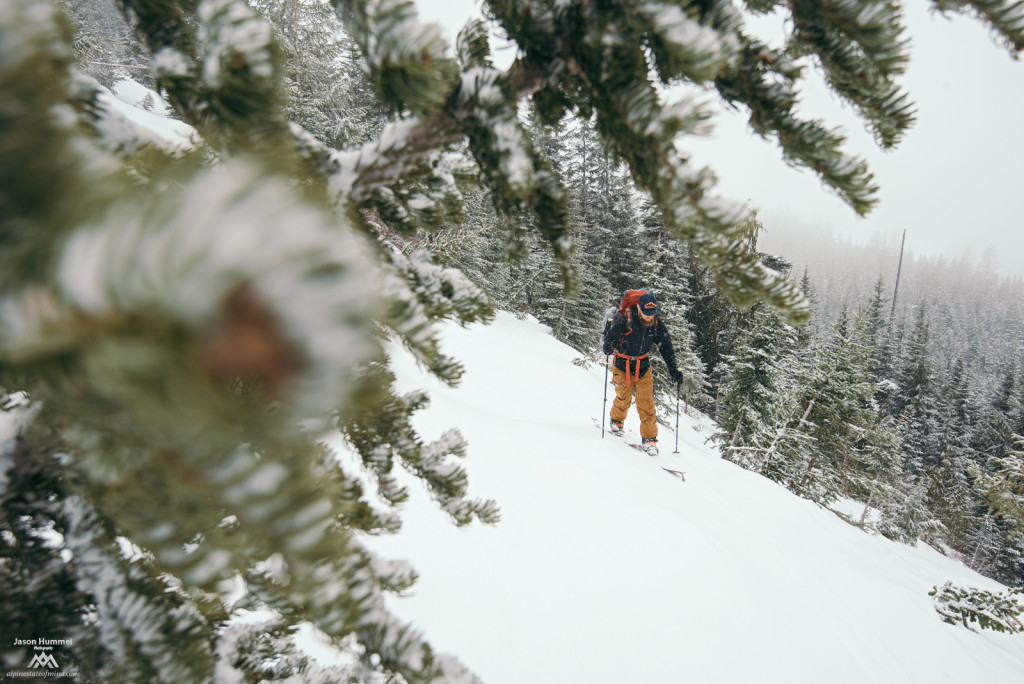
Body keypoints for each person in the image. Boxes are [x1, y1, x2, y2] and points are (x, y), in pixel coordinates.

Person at [602, 291, 682, 456]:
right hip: (622, 364)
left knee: (646, 404)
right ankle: (616, 420)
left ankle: (649, 439)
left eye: (652, 314)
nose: (649, 318)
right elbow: (610, 339)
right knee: (623, 398)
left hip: (643, 366)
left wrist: (674, 369)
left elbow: (665, 346)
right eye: (646, 314)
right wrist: (609, 346)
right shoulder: (626, 319)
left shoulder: (656, 323)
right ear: (639, 308)